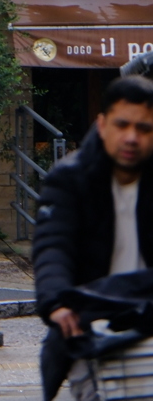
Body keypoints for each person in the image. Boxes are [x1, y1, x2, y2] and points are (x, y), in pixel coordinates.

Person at [34, 74, 153, 396]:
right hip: (91, 324)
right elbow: (53, 246)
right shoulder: (70, 179)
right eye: (122, 125)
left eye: (144, 129)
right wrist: (57, 301)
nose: (131, 137)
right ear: (102, 125)